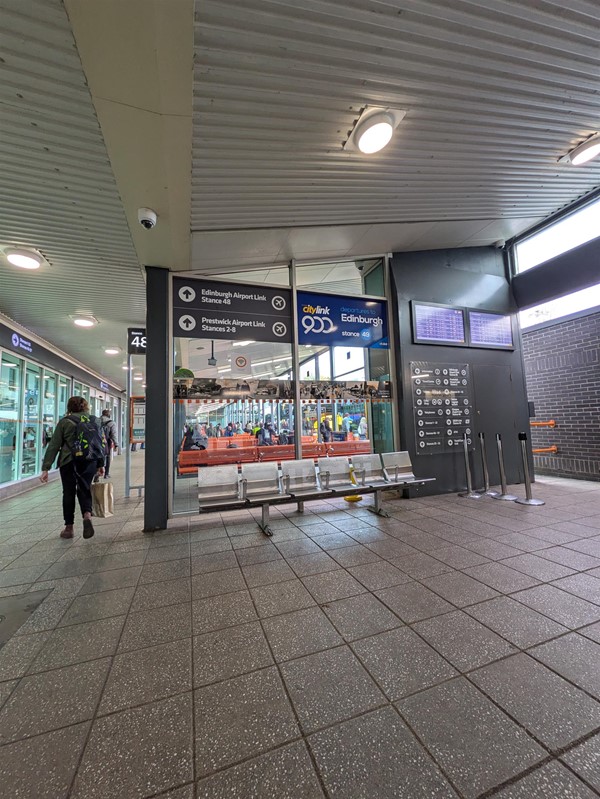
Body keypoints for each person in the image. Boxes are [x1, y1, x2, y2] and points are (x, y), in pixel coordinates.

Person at [40, 396, 104, 540]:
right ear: (85, 406)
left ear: (69, 407)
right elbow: (100, 443)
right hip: (89, 461)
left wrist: (46, 468)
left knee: (68, 492)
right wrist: (101, 464)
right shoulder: (94, 420)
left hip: (69, 461)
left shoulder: (64, 422)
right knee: (85, 488)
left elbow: (54, 445)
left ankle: (69, 528)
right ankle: (87, 515)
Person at [100, 409, 119, 478]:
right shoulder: (111, 423)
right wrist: (116, 444)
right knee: (107, 456)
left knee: (98, 456)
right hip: (106, 442)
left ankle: (97, 473)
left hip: (97, 441)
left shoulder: (97, 421)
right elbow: (114, 434)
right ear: (109, 415)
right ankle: (106, 473)